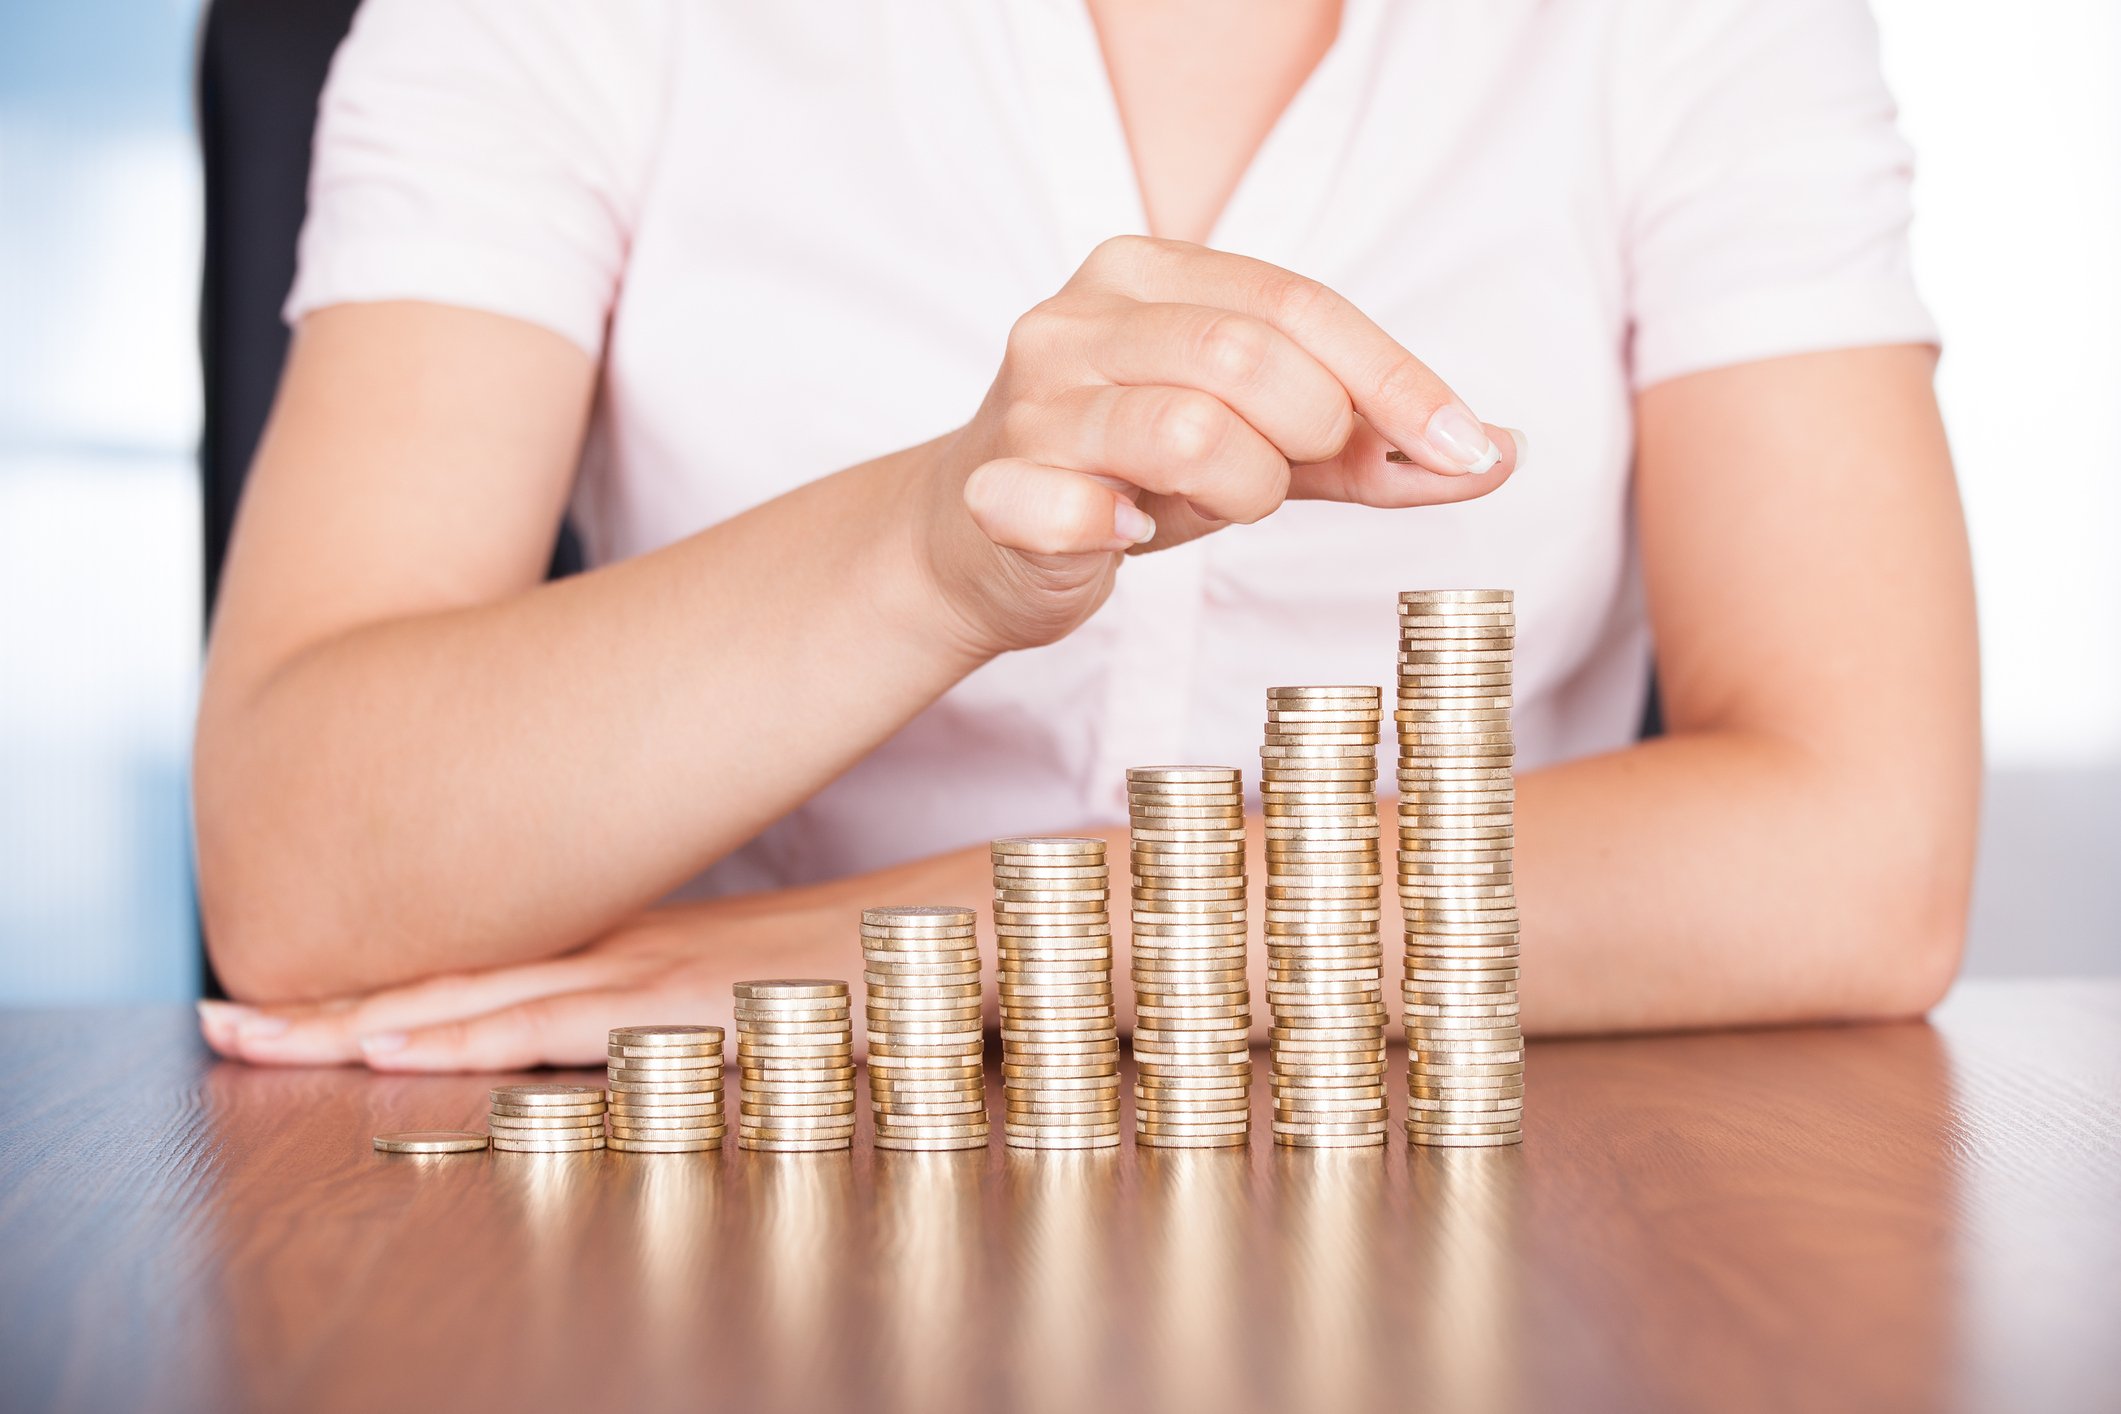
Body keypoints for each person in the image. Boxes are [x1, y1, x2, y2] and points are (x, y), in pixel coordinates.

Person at [191, 0, 1980, 1071]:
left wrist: (922, 945)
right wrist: (928, 555)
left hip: (1462, 1149)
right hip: (734, 1171)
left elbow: (1857, 854)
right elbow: (298, 860)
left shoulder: (1704, 25)